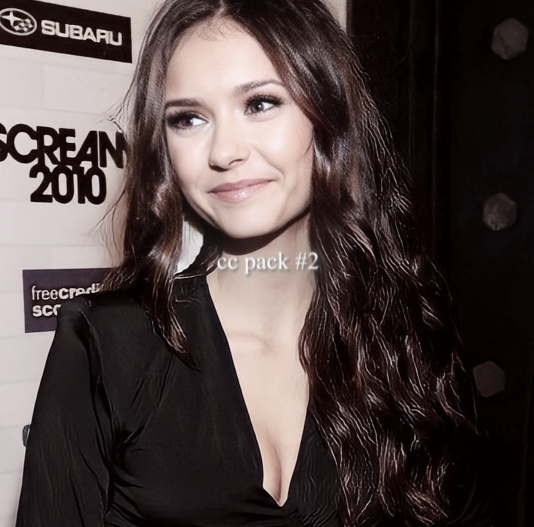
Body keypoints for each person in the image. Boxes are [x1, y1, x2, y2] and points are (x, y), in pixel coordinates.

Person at [15, 0, 491, 526]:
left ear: (329, 115)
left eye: (260, 104)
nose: (224, 151)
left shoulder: (409, 341)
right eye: (189, 118)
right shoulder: (107, 346)